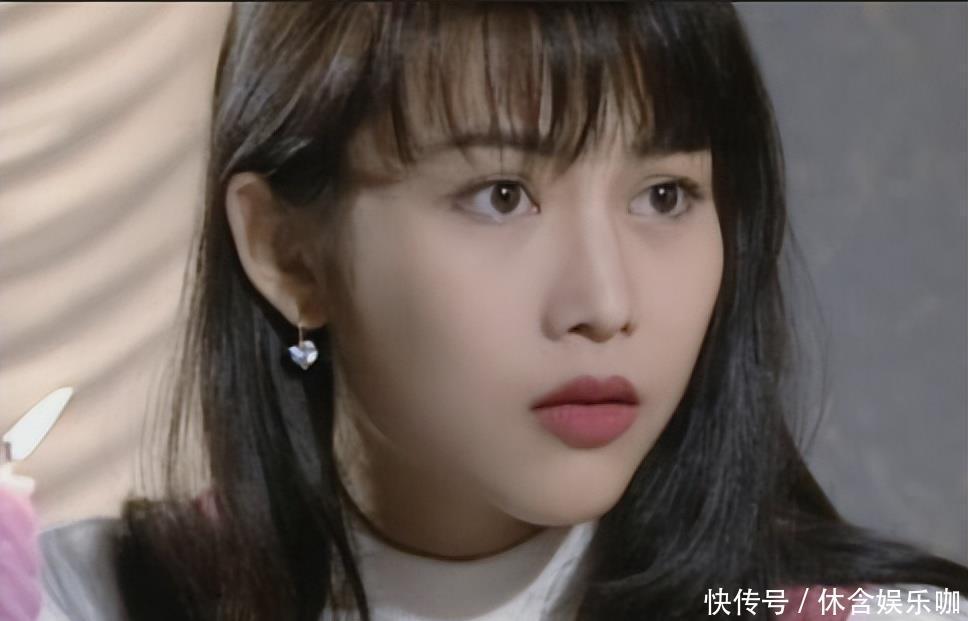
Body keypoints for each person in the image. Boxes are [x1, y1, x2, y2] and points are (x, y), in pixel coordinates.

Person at [35, 3, 968, 621]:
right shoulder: (81, 599)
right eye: (503, 196)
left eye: (665, 196)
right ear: (290, 254)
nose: (606, 304)